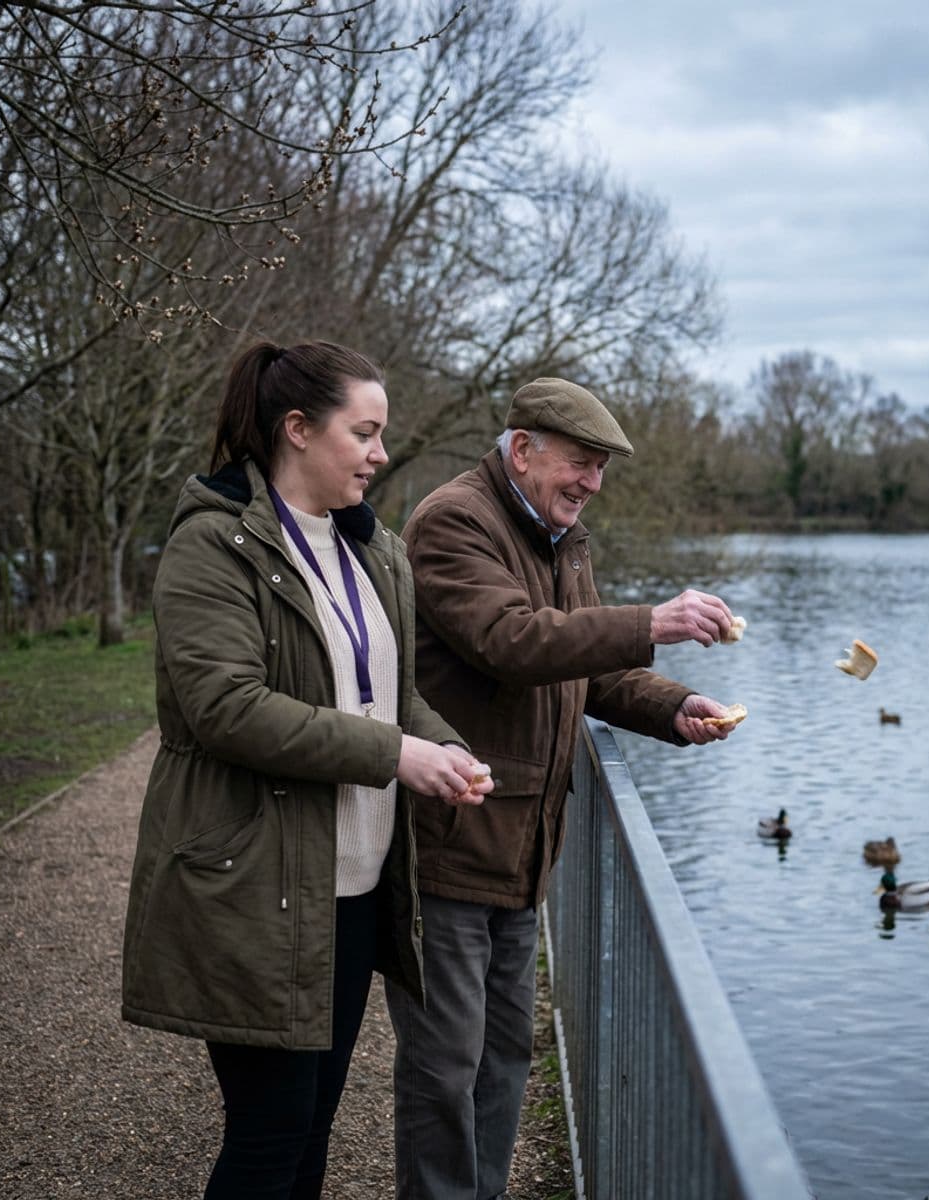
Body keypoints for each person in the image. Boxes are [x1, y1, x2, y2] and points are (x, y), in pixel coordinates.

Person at [121, 340, 493, 1200]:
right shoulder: (213, 544)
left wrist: (444, 748)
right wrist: (395, 755)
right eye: (363, 433)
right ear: (297, 428)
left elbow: (389, 695)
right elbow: (227, 708)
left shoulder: (372, 548)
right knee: (270, 1135)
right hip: (256, 884)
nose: (380, 454)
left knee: (313, 1125)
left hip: (354, 888)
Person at [386, 376, 743, 1200]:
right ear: (522, 449)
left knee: (505, 1056)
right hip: (451, 843)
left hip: (525, 850)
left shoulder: (561, 537)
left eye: (601, 468)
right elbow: (512, 641)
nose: (593, 482)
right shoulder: (453, 521)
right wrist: (651, 621)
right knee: (445, 1069)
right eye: (582, 462)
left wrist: (675, 706)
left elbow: (589, 667)